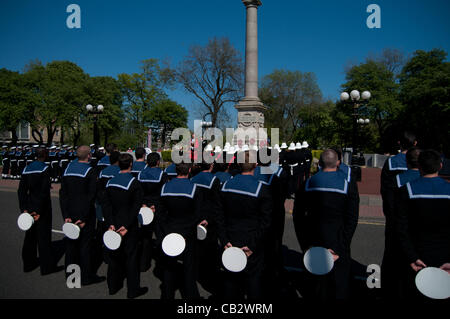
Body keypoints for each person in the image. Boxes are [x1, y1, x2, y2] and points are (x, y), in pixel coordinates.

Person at [294, 149, 359, 299]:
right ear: (338, 163)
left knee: (315, 289)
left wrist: (305, 245)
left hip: (314, 243)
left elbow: (298, 218)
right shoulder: (347, 185)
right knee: (338, 289)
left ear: (320, 163)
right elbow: (351, 219)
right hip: (338, 244)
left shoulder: (307, 184)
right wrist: (339, 248)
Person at [217, 151, 272, 299]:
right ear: (256, 164)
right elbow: (266, 222)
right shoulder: (261, 189)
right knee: (253, 283)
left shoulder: (225, 185)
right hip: (251, 242)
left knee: (231, 282)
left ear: (239, 164)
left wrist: (224, 240)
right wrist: (253, 245)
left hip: (230, 240)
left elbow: (219, 217)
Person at [395, 149, 450, 298]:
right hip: (445, 257)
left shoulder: (407, 190)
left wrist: (411, 256)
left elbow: (400, 228)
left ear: (419, 166)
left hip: (417, 256)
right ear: (440, 166)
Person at [102, 153, 148, 299]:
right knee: (131, 258)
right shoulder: (134, 183)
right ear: (130, 165)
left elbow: (106, 205)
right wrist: (127, 225)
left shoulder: (110, 182)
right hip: (128, 225)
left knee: (114, 256)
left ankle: (112, 286)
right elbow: (136, 208)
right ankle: (133, 290)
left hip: (113, 223)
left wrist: (109, 223)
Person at [59, 145, 105, 286]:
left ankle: (71, 277)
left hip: (70, 212)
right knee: (85, 247)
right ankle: (85, 277)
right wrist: (83, 218)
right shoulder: (90, 171)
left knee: (71, 245)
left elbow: (63, 195)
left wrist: (65, 215)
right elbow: (90, 196)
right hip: (84, 214)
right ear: (89, 156)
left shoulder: (67, 170)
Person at [380, 131, 417, 299]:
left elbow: (385, 190)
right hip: (416, 216)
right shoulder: (421, 161)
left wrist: (389, 214)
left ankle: (389, 290)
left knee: (391, 254)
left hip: (395, 215)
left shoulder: (391, 162)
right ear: (415, 143)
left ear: (399, 143)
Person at [158, 162, 203, 299]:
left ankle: (167, 294)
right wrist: (186, 233)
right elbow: (197, 214)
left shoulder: (165, 187)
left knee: (169, 266)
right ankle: (191, 296)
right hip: (187, 232)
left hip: (169, 230)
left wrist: (166, 232)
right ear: (189, 170)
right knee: (189, 266)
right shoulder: (194, 188)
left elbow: (160, 214)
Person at [18, 147, 60, 275]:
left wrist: (24, 209)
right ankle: (46, 267)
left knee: (29, 237)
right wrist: (38, 211)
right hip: (42, 208)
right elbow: (43, 192)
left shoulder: (27, 168)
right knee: (44, 238)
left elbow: (21, 191)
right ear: (45, 155)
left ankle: (28, 264)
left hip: (29, 205)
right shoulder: (45, 169)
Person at [254, 147, 289, 295]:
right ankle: (274, 276)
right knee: (274, 245)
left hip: (257, 213)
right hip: (275, 212)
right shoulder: (278, 171)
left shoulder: (254, 171)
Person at [190, 160, 223, 298]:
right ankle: (209, 277)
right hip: (209, 220)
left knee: (197, 248)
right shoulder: (214, 180)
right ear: (211, 166)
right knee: (210, 249)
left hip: (196, 218)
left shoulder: (192, 179)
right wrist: (209, 219)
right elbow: (217, 204)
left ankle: (198, 272)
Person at [137, 152, 167, 272]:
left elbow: (138, 192)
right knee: (159, 235)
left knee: (145, 236)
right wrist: (155, 206)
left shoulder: (140, 174)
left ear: (147, 162)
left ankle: (144, 264)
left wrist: (143, 204)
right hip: (157, 208)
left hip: (144, 208)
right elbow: (163, 193)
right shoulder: (161, 174)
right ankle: (160, 264)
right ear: (158, 162)